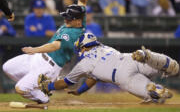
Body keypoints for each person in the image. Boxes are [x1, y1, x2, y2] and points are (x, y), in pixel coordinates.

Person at [3, 0, 89, 104]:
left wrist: (35, 49)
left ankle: (43, 97)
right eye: (66, 17)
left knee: (20, 88)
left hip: (49, 67)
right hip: (39, 58)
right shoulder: (79, 20)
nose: (66, 20)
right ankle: (38, 87)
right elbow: (82, 4)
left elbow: (55, 45)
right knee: (7, 67)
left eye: (69, 19)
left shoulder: (73, 33)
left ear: (78, 22)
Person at [38, 33, 179, 103]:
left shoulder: (84, 64)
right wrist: (80, 91)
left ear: (84, 47)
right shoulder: (105, 47)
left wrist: (49, 86)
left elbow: (65, 82)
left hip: (121, 76)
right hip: (130, 59)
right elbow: (94, 78)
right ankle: (150, 56)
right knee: (171, 67)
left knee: (154, 97)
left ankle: (154, 90)